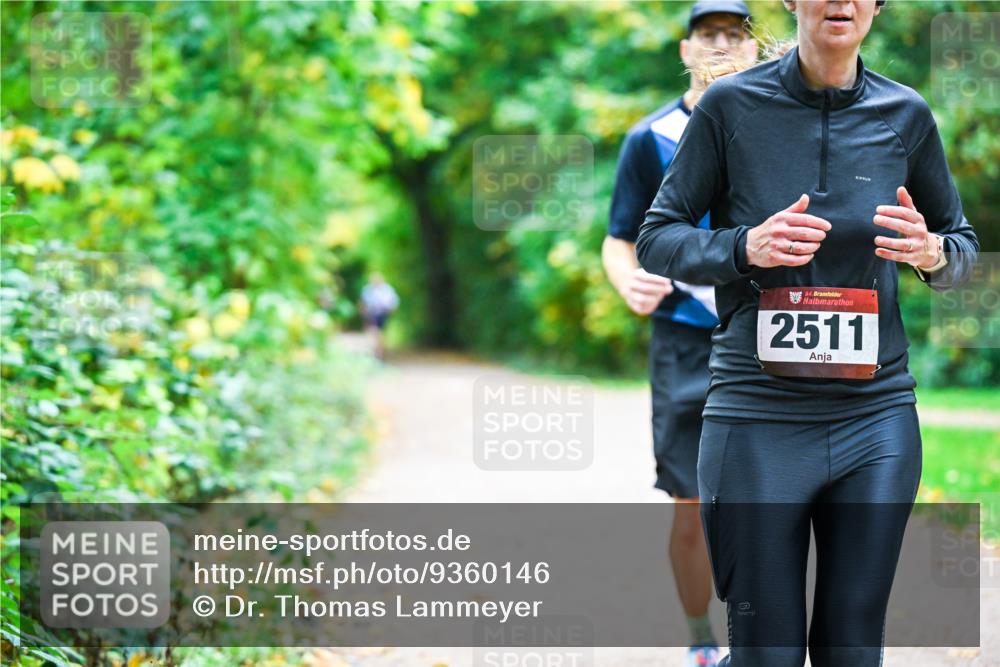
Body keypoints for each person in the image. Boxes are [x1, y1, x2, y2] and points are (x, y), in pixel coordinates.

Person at [635, 1, 979, 665]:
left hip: (873, 415)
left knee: (852, 649)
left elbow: (961, 247)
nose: (842, 3)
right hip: (758, 415)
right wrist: (745, 246)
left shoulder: (905, 114)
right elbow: (658, 238)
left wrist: (933, 252)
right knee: (768, 652)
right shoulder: (731, 107)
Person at [602, 2, 757, 665]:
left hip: (762, 333)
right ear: (685, 50)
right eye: (707, 34)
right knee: (689, 504)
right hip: (684, 338)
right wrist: (626, 280)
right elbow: (618, 241)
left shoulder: (777, 124)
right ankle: (701, 639)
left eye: (735, 34)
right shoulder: (650, 137)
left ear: (755, 48)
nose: (721, 44)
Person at [359, 272, 399, 361]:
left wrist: (390, 312)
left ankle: (379, 352)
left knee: (379, 333)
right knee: (375, 332)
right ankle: (377, 352)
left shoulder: (387, 289)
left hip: (383, 313)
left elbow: (393, 302)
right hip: (372, 314)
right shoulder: (367, 289)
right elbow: (362, 302)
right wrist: (363, 314)